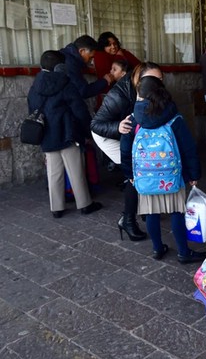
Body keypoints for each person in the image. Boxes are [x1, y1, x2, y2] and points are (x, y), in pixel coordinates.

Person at [120, 74, 206, 263]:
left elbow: (125, 149)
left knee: (151, 212)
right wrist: (194, 173)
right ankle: (184, 252)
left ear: (140, 96)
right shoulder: (174, 118)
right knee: (176, 212)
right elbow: (188, 148)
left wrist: (129, 173)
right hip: (172, 176)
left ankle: (158, 249)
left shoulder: (134, 120)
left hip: (145, 176)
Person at [91, 61, 162, 242]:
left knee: (146, 166)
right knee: (136, 172)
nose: (157, 84)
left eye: (160, 80)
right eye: (152, 80)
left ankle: (145, 209)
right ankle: (127, 220)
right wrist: (118, 127)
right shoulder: (118, 95)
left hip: (130, 133)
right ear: (138, 78)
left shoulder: (153, 90)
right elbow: (96, 124)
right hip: (108, 133)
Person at [27, 50, 103, 218]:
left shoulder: (35, 86)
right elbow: (79, 110)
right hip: (68, 132)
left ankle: (57, 208)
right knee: (76, 169)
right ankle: (84, 204)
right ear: (61, 66)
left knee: (54, 172)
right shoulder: (66, 84)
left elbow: (32, 109)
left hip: (46, 134)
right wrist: (87, 131)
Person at [60, 35, 113, 99]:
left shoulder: (65, 55)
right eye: (90, 58)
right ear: (82, 51)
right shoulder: (71, 64)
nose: (90, 61)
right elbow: (83, 91)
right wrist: (104, 81)